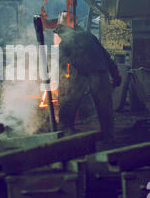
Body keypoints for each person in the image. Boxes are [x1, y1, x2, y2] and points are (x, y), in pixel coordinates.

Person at [41, 10, 122, 143]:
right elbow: (106, 57)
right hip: (100, 73)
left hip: (84, 74)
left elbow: (59, 65)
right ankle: (109, 137)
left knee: (69, 103)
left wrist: (56, 82)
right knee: (105, 108)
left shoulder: (64, 43)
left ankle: (65, 131)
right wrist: (116, 75)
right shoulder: (88, 35)